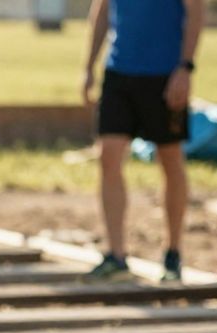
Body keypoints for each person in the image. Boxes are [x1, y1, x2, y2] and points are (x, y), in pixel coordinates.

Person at [81, 0, 203, 283]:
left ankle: (173, 253)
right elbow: (101, 12)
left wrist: (185, 68)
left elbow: (196, 12)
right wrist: (88, 66)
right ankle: (116, 255)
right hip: (118, 72)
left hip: (165, 73)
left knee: (170, 158)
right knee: (108, 156)